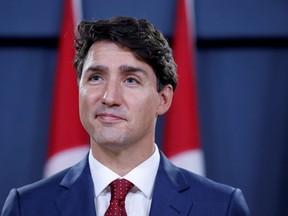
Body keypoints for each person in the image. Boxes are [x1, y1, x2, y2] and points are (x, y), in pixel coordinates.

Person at [1, 16, 250, 216]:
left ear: (163, 99)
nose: (110, 97)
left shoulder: (221, 207)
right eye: (95, 77)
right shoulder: (27, 206)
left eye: (131, 80)